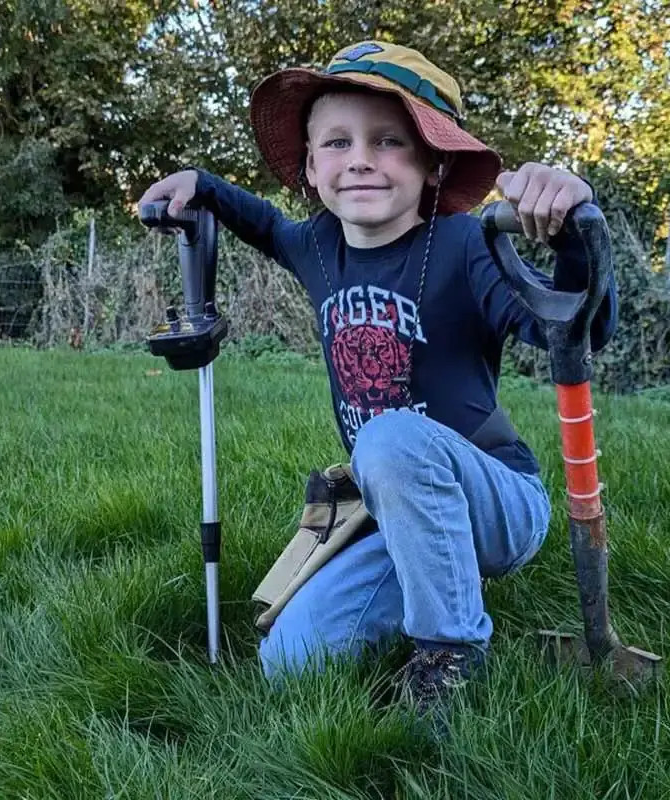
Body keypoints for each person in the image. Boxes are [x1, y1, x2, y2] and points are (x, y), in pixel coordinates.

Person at [139, 40, 617, 717]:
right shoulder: (316, 246)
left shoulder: (466, 246)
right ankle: (436, 586)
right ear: (310, 165)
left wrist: (572, 234)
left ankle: (450, 651)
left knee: (391, 440)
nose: (360, 158)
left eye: (390, 141)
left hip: (497, 501)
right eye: (336, 142)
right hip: (396, 511)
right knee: (292, 665)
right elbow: (265, 224)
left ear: (432, 165)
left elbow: (576, 330)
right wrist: (202, 185)